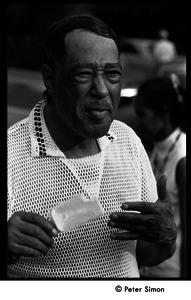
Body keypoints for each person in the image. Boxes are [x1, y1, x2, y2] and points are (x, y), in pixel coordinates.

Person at [7, 14, 177, 278]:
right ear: (50, 80)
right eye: (83, 74)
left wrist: (166, 238)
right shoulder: (12, 154)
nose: (101, 89)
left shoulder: (128, 142)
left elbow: (147, 254)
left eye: (112, 74)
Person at [134, 76, 186, 278]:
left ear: (163, 113)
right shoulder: (157, 147)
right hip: (150, 266)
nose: (138, 122)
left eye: (142, 114)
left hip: (172, 272)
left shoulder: (182, 157)